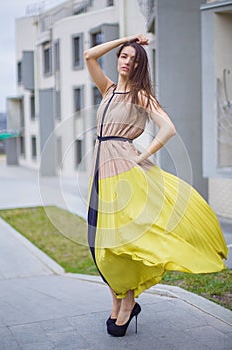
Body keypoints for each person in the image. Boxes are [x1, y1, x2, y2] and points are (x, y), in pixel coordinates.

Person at [84, 34, 228, 337]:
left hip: (123, 173)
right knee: (98, 244)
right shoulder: (108, 90)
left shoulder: (141, 96)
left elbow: (169, 128)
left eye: (134, 60)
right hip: (99, 171)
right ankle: (117, 300)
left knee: (122, 243)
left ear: (140, 67)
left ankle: (129, 301)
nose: (127, 62)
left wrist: (144, 156)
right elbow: (88, 55)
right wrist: (126, 39)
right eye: (124, 56)